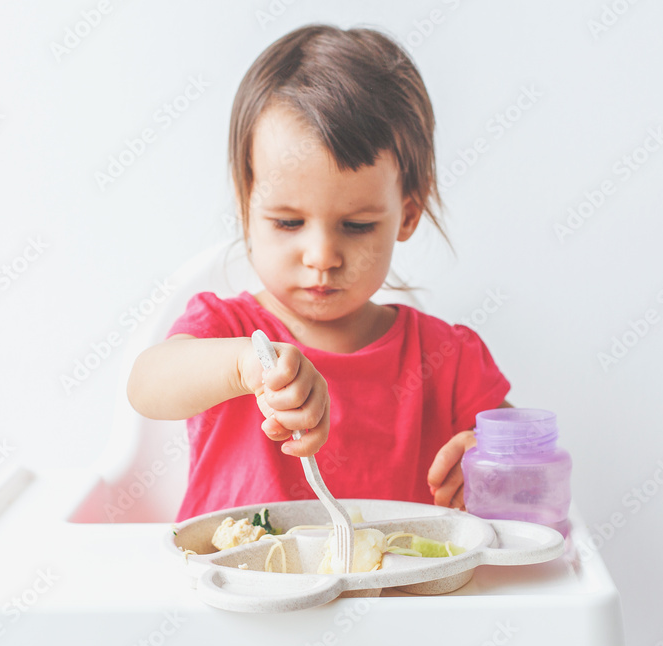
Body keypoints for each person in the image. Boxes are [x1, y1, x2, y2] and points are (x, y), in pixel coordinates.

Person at [127, 24, 511, 521]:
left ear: (408, 216)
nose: (322, 256)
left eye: (356, 225)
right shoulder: (228, 332)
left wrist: (490, 460)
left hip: (399, 595)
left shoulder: (447, 358)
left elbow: (522, 444)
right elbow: (147, 384)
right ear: (247, 208)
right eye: (288, 222)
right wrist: (244, 366)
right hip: (237, 588)